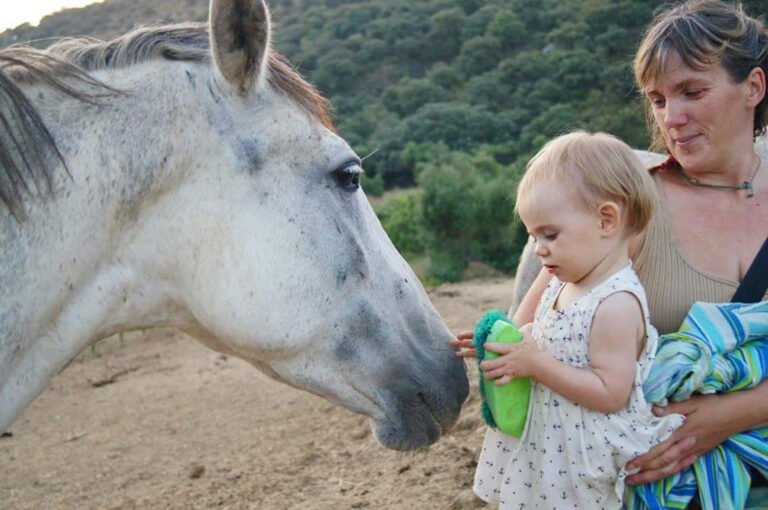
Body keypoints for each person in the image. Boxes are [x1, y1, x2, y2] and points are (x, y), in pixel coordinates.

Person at [454, 0, 768, 496]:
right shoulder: (626, 208)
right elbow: (536, 337)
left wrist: (728, 416)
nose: (672, 118)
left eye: (691, 91)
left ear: (754, 87)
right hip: (638, 486)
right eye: (658, 100)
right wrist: (497, 342)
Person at [469, 130, 684, 509]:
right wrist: (502, 345)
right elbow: (548, 335)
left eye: (549, 234)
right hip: (554, 444)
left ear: (606, 220)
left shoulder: (616, 303)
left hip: (584, 460)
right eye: (534, 235)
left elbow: (610, 393)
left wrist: (536, 364)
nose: (538, 249)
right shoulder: (566, 280)